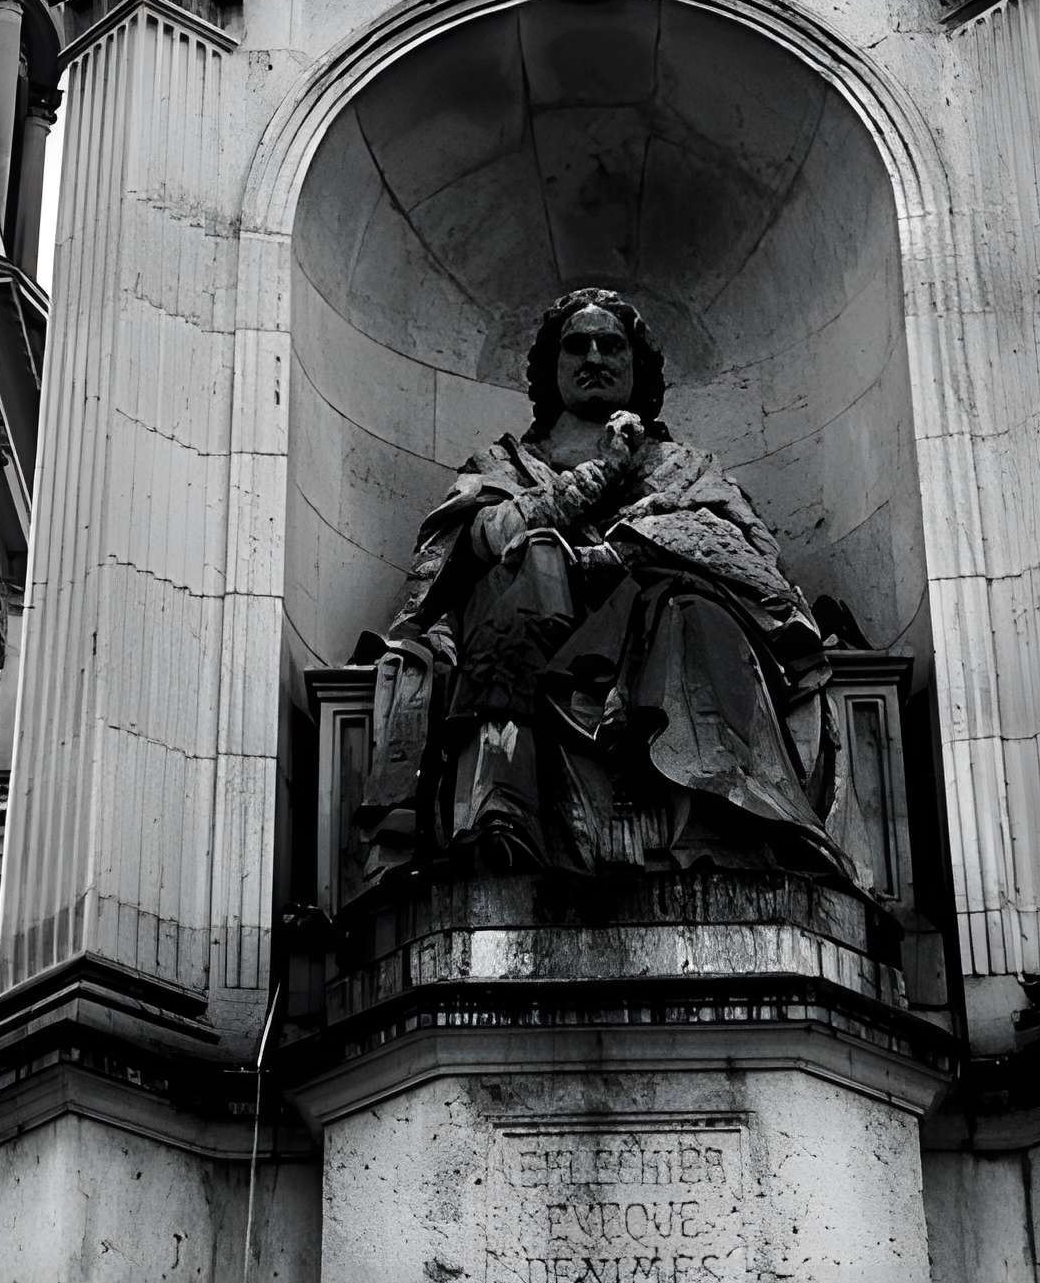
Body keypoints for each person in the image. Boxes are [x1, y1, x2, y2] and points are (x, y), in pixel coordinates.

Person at [353, 287, 854, 892]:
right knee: (532, 563)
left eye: (611, 344)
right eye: (576, 346)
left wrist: (626, 548)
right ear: (551, 369)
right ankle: (503, 807)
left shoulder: (688, 467)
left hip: (657, 613)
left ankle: (720, 811)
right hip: (538, 616)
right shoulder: (504, 462)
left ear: (636, 367)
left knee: (694, 604)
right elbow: (481, 538)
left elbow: (749, 557)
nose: (594, 356)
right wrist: (602, 475)